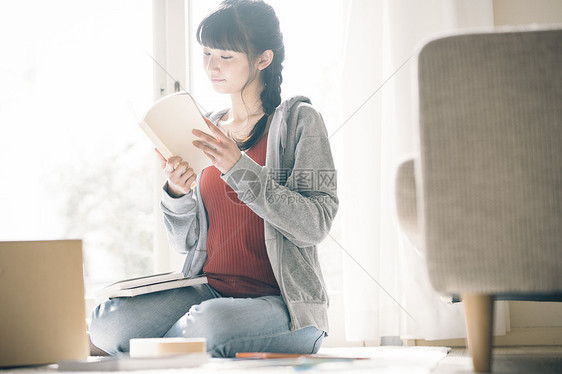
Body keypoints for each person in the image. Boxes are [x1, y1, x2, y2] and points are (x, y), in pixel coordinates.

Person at [89, 0, 338, 358]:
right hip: (209, 290)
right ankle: (170, 348)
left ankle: (147, 352)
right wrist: (177, 192)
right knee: (109, 320)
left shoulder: (300, 120)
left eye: (225, 56)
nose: (211, 66)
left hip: (281, 305)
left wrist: (240, 168)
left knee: (211, 323)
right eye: (207, 53)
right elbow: (186, 241)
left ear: (263, 59)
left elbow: (314, 225)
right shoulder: (206, 127)